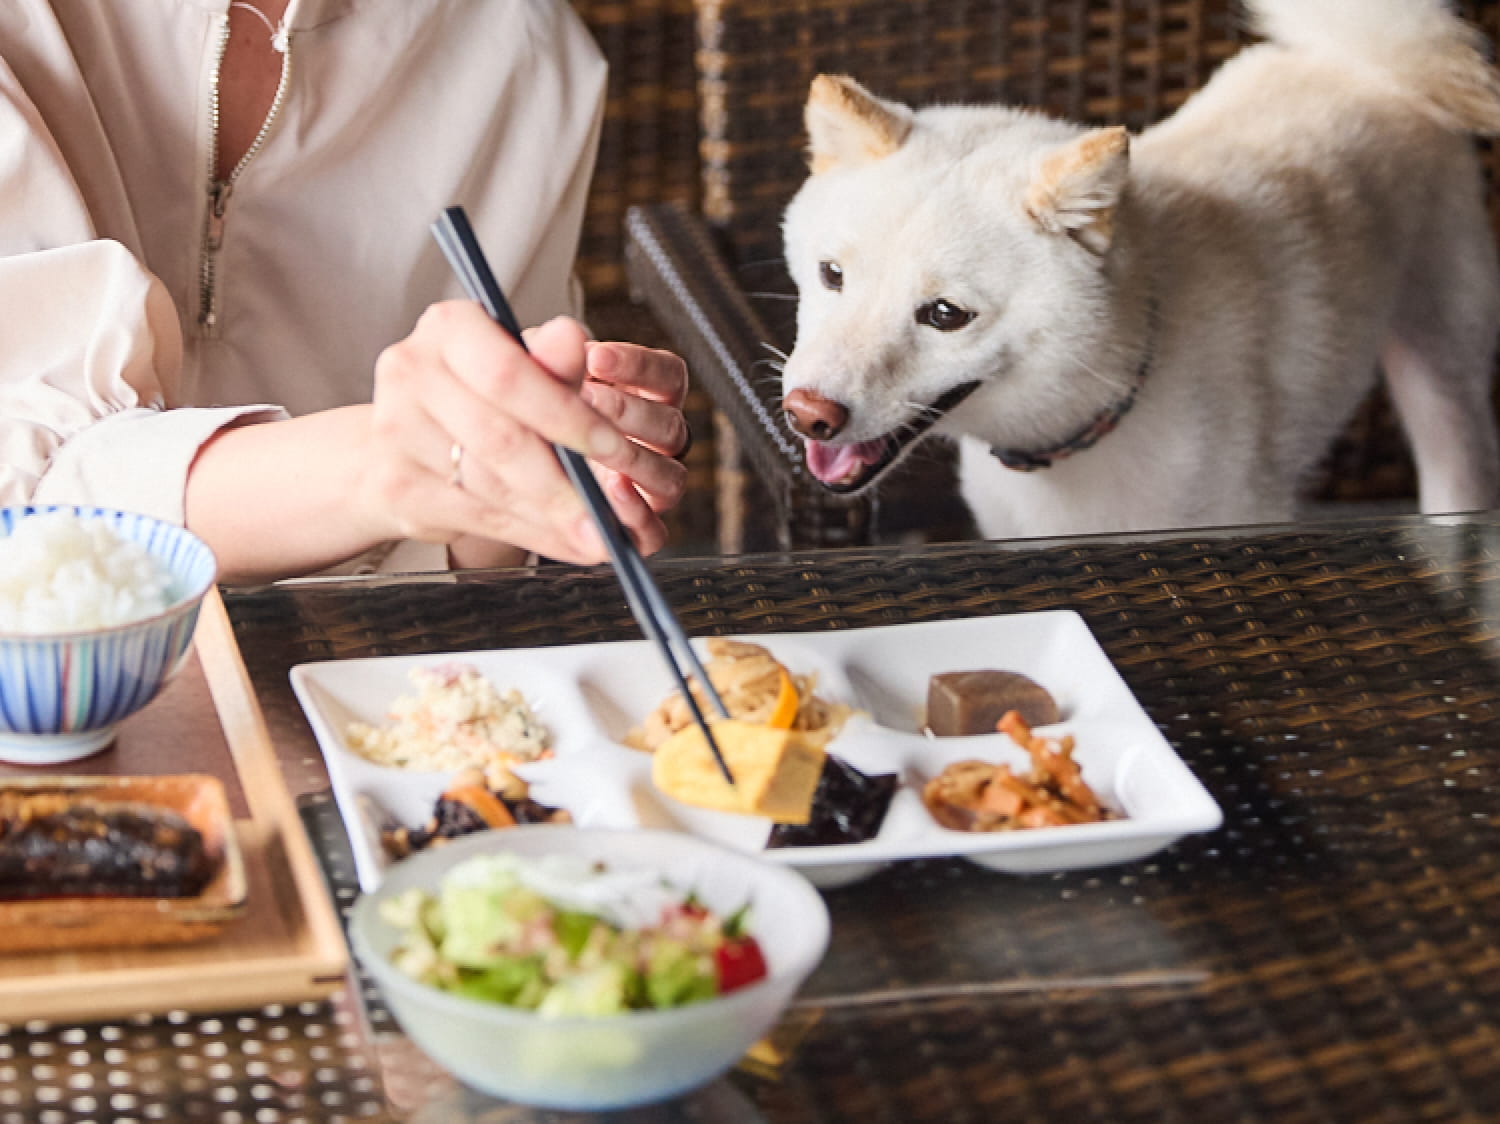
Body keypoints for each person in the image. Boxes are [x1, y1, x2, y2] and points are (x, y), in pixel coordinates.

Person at [0, 0, 690, 583]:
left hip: (356, 686)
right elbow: (25, 502)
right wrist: (385, 463)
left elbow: (465, 566)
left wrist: (511, 452)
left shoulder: (521, 47)